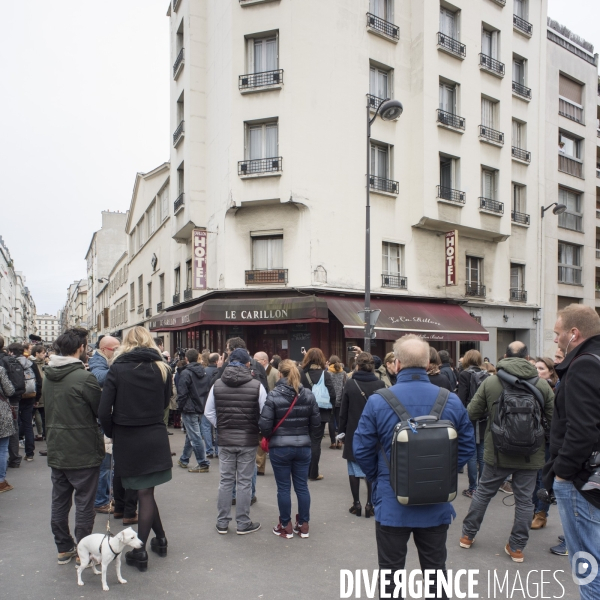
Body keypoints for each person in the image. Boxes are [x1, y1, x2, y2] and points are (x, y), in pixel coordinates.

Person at [353, 335, 474, 598]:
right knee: (435, 572)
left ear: (396, 364)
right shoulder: (450, 400)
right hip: (436, 499)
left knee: (391, 574)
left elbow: (361, 449)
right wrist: (441, 473)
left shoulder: (378, 400)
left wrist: (380, 476)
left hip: (392, 500)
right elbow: (467, 447)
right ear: (429, 362)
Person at [460, 341, 554, 563]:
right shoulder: (541, 386)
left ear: (505, 356)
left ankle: (467, 536)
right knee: (524, 501)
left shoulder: (492, 382)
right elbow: (553, 420)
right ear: (527, 357)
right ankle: (517, 548)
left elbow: (471, 413)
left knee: (483, 494)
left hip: (497, 452)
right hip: (531, 454)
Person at [99, 326, 173, 571]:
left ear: (126, 344)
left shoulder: (117, 368)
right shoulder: (162, 368)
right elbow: (164, 404)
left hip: (128, 437)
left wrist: (113, 432)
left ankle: (140, 551)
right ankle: (160, 539)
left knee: (144, 492)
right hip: (154, 435)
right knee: (146, 491)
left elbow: (103, 410)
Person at [542, 305, 600, 595]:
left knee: (588, 563)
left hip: (582, 480)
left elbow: (582, 430)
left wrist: (562, 474)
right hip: (591, 476)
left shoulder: (585, 364)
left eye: (558, 333)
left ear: (574, 333)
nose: (556, 339)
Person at [44, 328, 104, 565]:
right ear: (80, 348)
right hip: (82, 448)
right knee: (84, 503)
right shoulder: (83, 377)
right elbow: (99, 410)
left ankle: (63, 547)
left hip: (57, 446)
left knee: (60, 500)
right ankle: (84, 550)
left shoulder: (48, 375)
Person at [205, 348, 267, 535]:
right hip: (248, 439)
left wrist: (222, 425)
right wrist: (255, 428)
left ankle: (222, 522)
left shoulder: (217, 384)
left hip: (225, 439)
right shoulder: (257, 385)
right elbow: (265, 413)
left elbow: (208, 412)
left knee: (225, 480)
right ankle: (243, 522)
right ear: (248, 364)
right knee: (244, 482)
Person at [259, 360, 320, 538]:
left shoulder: (274, 394)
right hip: (303, 446)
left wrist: (271, 434)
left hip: (280, 447)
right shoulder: (308, 394)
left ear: (280, 374)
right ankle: (304, 524)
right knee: (302, 486)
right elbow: (316, 425)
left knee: (283, 488)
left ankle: (285, 525)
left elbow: (264, 425)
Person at [339, 352, 385, 518]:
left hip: (353, 431)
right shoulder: (380, 384)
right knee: (371, 470)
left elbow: (343, 412)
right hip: (374, 432)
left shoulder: (351, 384)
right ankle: (370, 504)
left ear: (357, 365)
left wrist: (341, 433)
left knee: (353, 469)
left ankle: (356, 503)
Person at [89, 336, 122, 515]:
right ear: (104, 350)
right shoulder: (97, 361)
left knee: (110, 463)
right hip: (103, 420)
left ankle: (108, 497)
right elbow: (100, 377)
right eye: (114, 349)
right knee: (105, 463)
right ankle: (101, 500)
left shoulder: (105, 360)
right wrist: (123, 369)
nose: (117, 352)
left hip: (107, 417)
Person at [529, 357, 558, 531]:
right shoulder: (532, 387)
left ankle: (541, 513)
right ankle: (533, 510)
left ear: (550, 371)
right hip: (534, 438)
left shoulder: (554, 388)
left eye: (541, 368)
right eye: (536, 368)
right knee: (533, 476)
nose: (538, 371)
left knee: (543, 477)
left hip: (548, 438)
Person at [299, 348, 336, 481]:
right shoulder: (325, 374)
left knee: (303, 441)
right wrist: (331, 408)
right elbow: (332, 394)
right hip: (320, 413)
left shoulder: (301, 373)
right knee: (315, 442)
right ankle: (313, 473)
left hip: (303, 412)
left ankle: (301, 471)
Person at [457, 349, 489, 498]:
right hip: (484, 417)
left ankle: (473, 488)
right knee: (482, 453)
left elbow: (461, 398)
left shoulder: (465, 375)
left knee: (471, 453)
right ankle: (482, 487)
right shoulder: (487, 375)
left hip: (470, 417)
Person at [177, 348, 211, 473]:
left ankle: (202, 462)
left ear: (186, 359)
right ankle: (184, 459)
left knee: (194, 435)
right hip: (200, 405)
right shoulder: (204, 372)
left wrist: (179, 407)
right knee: (192, 434)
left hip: (189, 407)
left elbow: (182, 392)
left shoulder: (186, 373)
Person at [8, 343, 36, 462]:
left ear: (12, 352)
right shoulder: (30, 363)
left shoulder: (10, 362)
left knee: (14, 424)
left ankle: (14, 454)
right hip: (29, 396)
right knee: (28, 424)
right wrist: (36, 397)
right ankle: (29, 453)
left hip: (15, 396)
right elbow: (38, 380)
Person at [0, 359, 16, 493]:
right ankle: (1, 482)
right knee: (2, 448)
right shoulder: (0, 370)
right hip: (1, 413)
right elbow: (10, 391)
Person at [327, 355, 346, 449]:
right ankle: (340, 442)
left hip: (330, 400)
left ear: (330, 362)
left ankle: (333, 442)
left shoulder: (328, 373)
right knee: (339, 421)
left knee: (331, 421)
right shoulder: (343, 373)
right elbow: (345, 387)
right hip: (341, 400)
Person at [203, 353, 219, 458]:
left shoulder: (204, 371)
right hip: (218, 402)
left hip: (205, 401)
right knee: (218, 426)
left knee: (206, 426)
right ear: (217, 361)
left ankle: (209, 450)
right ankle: (217, 450)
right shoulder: (219, 372)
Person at [31, 345, 46, 444]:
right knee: (40, 414)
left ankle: (41, 433)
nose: (45, 354)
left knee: (40, 414)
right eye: (43, 353)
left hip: (41, 392)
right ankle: (42, 433)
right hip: (38, 391)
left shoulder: (44, 363)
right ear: (37, 353)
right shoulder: (33, 364)